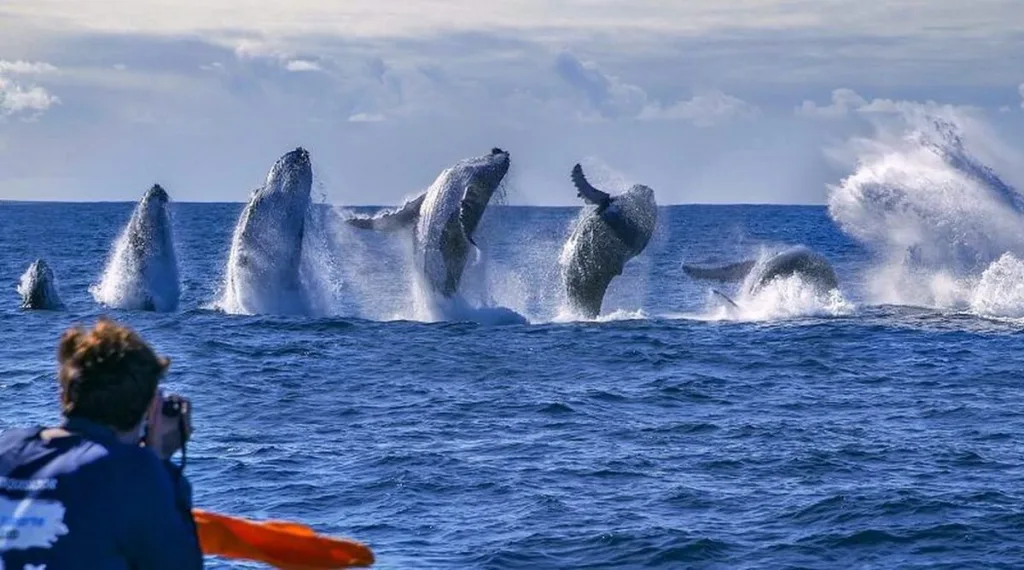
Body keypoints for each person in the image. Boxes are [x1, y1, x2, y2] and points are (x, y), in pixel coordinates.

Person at [0, 318, 204, 569]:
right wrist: (162, 464)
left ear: (64, 394)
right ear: (148, 408)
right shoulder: (133, 472)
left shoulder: (7, 447)